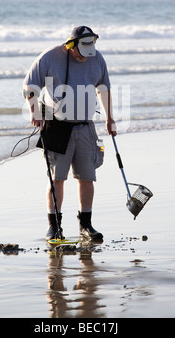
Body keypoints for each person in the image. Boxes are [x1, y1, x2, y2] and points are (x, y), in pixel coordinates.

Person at [23, 26, 117, 241]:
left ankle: (86, 225)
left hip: (86, 126)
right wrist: (35, 111)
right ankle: (54, 226)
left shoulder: (96, 58)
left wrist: (110, 118)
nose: (85, 58)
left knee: (87, 176)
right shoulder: (49, 57)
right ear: (71, 46)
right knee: (57, 178)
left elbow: (103, 89)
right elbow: (29, 86)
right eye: (81, 53)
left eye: (89, 52)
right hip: (56, 126)